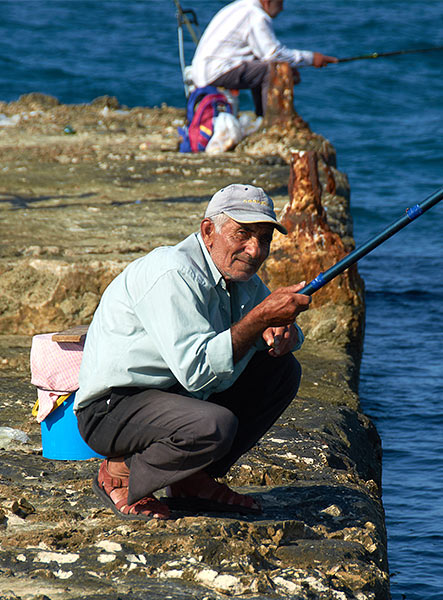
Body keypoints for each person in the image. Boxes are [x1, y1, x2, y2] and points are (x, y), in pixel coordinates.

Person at [74, 183, 311, 521]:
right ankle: (121, 473)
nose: (255, 250)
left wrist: (282, 332)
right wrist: (259, 319)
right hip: (112, 410)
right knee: (214, 425)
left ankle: (188, 479)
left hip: (172, 398)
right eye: (242, 234)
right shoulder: (174, 272)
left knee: (282, 371)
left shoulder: (240, 276)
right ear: (208, 231)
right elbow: (198, 370)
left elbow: (272, 330)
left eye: (265, 239)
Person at [191, 0, 338, 117]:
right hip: (214, 72)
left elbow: (262, 54)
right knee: (270, 70)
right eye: (280, 3)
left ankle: (262, 116)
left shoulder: (239, 7)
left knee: (267, 66)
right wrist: (312, 59)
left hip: (203, 72)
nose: (282, 9)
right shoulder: (257, 16)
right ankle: (270, 120)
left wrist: (291, 67)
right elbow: (273, 54)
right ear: (267, 1)